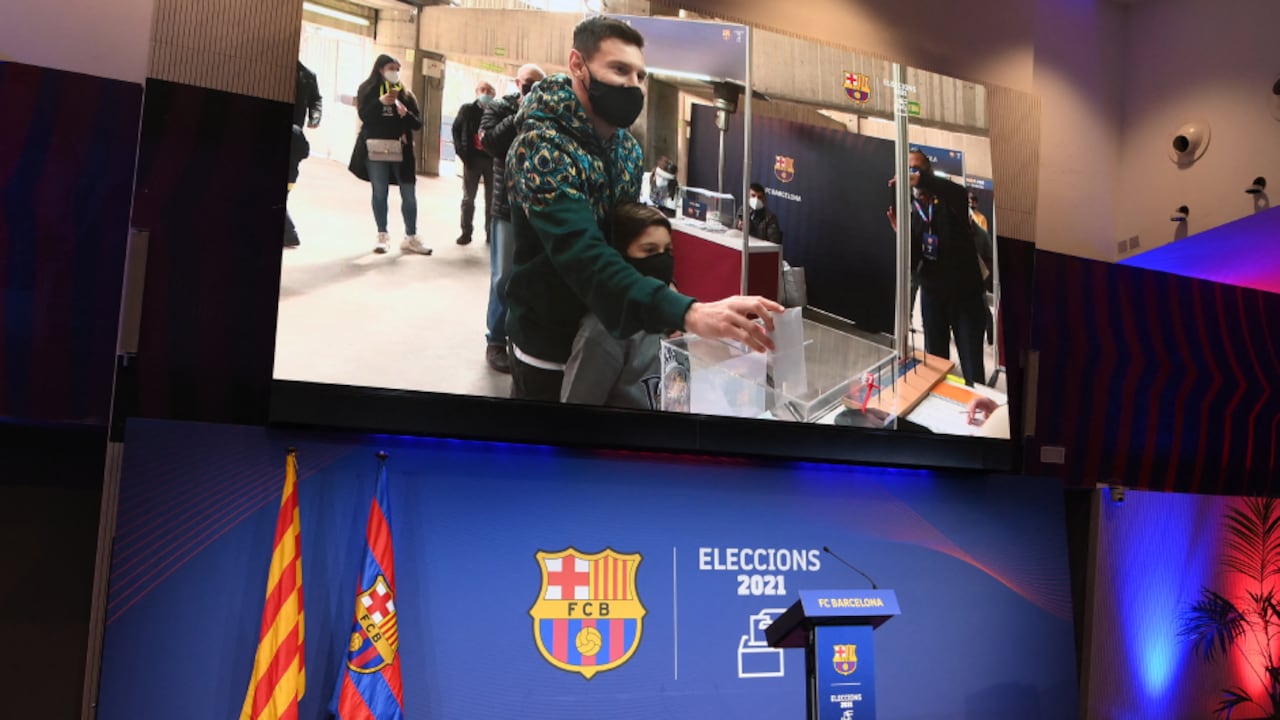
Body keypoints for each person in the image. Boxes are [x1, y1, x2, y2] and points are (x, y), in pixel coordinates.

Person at [505, 16, 783, 402]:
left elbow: (626, 239)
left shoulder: (627, 149)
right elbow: (584, 256)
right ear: (577, 64)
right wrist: (690, 313)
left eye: (640, 76)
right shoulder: (541, 148)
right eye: (619, 69)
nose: (633, 85)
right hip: (550, 346)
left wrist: (669, 302)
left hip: (611, 334)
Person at [561, 203, 675, 409]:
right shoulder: (602, 331)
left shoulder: (668, 314)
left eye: (667, 250)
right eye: (649, 250)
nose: (662, 260)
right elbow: (576, 411)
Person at [887, 150, 986, 385]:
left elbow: (959, 193)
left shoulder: (951, 200)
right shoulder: (912, 212)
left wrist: (921, 179)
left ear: (928, 173)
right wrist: (903, 236)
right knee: (935, 365)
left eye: (917, 169)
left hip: (966, 298)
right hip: (933, 297)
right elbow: (915, 260)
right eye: (908, 170)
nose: (912, 175)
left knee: (972, 368)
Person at [479, 64, 546, 374]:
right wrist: (519, 113)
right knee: (503, 276)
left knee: (527, 277)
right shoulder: (499, 107)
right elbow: (490, 142)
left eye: (538, 86)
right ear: (518, 82)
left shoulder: (548, 112)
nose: (532, 89)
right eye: (528, 84)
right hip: (506, 208)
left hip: (537, 209)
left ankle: (519, 339)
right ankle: (495, 339)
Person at [349, 54, 431, 255]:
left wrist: (405, 113)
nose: (394, 72)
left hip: (402, 150)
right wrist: (380, 102)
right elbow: (364, 116)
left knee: (409, 194)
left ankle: (411, 236)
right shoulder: (367, 89)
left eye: (397, 68)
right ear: (380, 69)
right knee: (380, 191)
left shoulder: (406, 94)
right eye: (390, 68)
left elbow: (418, 124)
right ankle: (382, 235)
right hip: (375, 148)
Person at [452, 81, 497, 245]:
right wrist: (461, 152)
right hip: (472, 159)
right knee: (468, 198)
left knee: (492, 200)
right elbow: (456, 130)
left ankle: (490, 234)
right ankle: (466, 232)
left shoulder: (497, 112)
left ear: (494, 95)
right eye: (483, 90)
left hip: (492, 161)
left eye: (489, 91)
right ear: (477, 92)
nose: (486, 93)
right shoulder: (467, 110)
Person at [284, 61, 322, 249]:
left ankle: (289, 233)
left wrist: (314, 117)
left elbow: (316, 99)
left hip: (294, 133)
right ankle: (289, 233)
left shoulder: (307, 74)